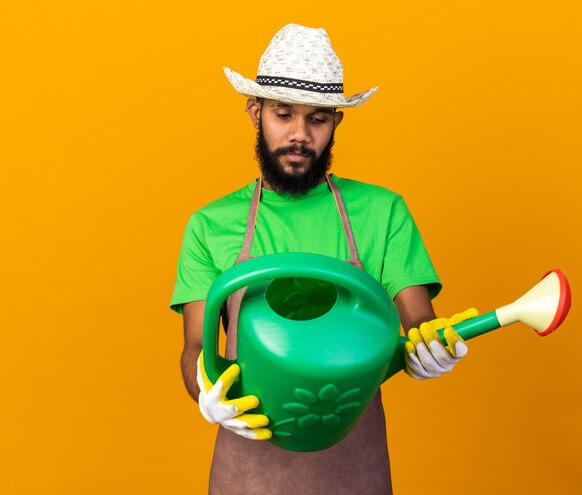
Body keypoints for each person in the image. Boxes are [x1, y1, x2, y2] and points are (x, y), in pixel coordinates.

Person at [170, 24, 476, 495]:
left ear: (337, 122)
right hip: (248, 454)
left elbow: (419, 320)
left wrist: (429, 349)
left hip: (354, 459)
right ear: (256, 112)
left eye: (317, 119)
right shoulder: (210, 225)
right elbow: (197, 345)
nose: (299, 135)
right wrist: (206, 393)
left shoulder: (382, 212)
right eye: (283, 114)